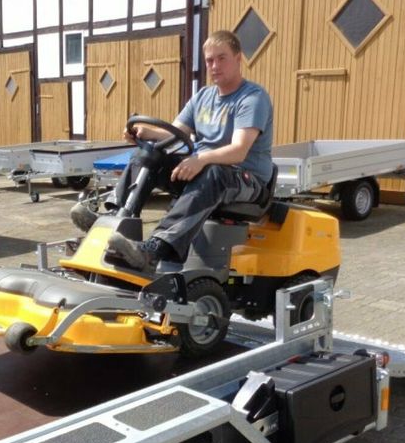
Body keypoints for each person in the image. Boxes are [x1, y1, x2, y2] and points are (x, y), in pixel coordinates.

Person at [70, 30, 274, 271]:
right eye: (209, 60)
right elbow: (176, 132)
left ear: (238, 58)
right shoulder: (203, 97)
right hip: (207, 169)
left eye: (222, 58)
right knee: (149, 155)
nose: (215, 66)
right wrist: (145, 134)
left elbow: (239, 151)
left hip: (247, 181)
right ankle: (111, 220)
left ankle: (154, 250)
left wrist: (200, 159)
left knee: (214, 173)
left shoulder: (252, 97)